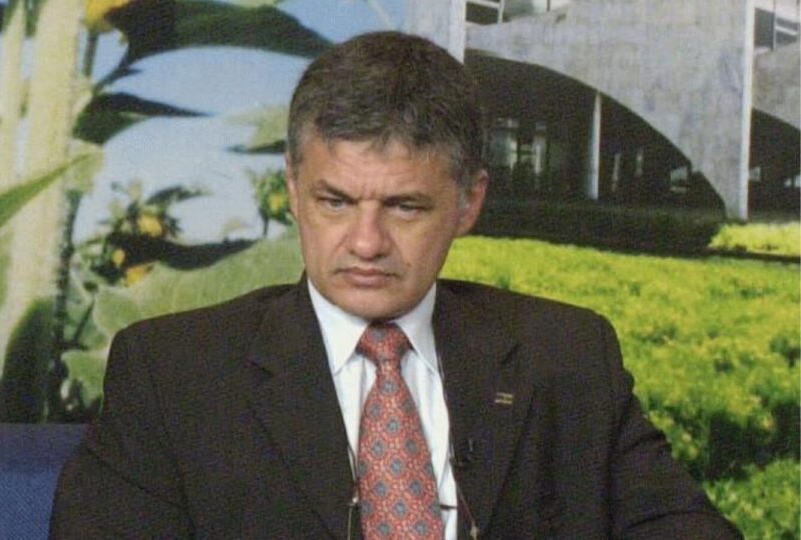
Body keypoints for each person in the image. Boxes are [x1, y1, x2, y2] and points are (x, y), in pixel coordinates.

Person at [51, 31, 740, 539]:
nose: (366, 243)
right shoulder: (171, 374)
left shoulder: (568, 356)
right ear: (293, 190)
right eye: (335, 202)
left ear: (468, 203)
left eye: (404, 207)